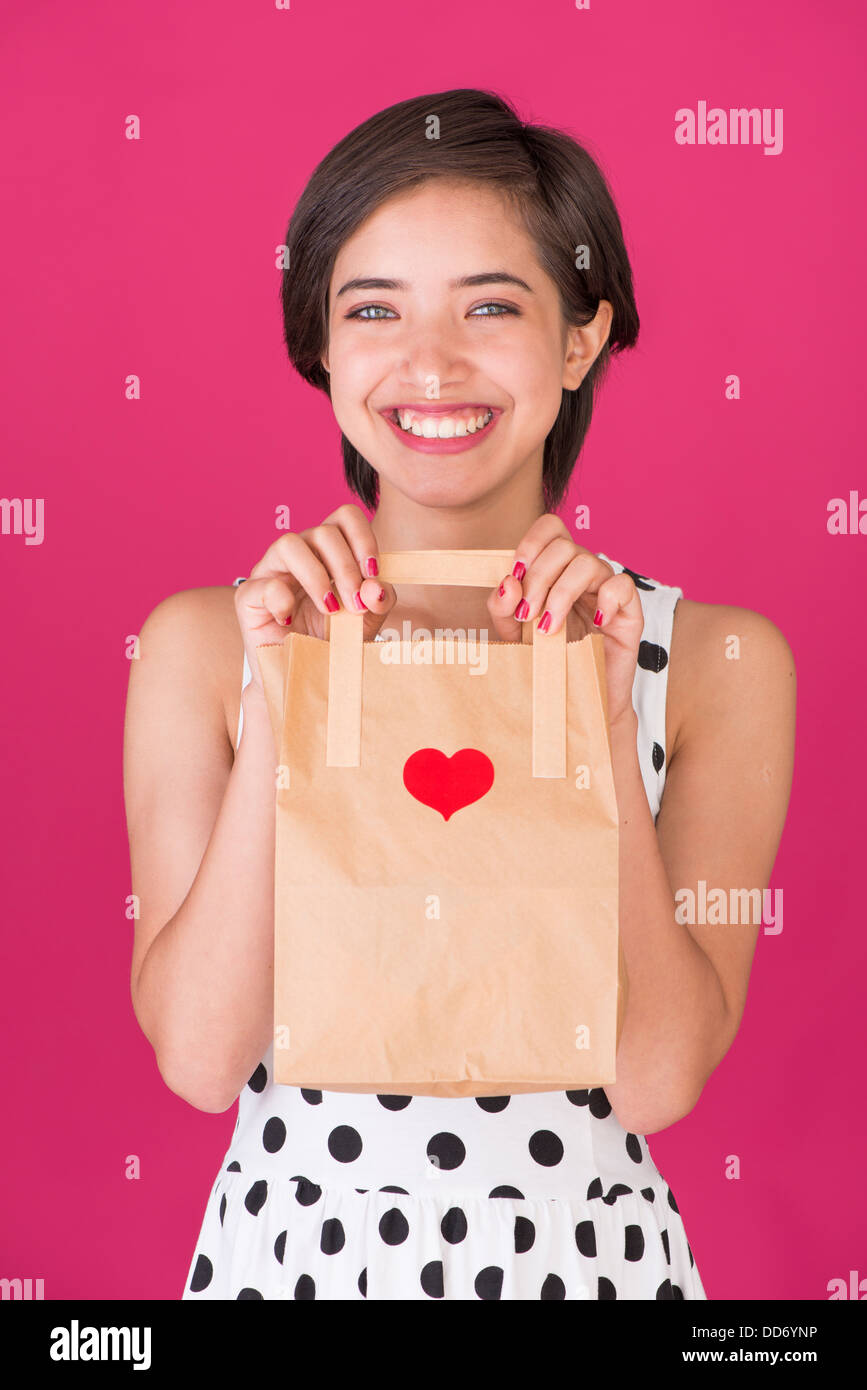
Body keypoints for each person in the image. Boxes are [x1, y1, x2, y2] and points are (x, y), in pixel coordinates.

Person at [123, 88, 796, 1300]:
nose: (428, 364)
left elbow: (656, 1080)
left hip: (587, 1264)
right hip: (294, 1259)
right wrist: (291, 692)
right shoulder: (206, 644)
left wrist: (589, 714)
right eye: (372, 309)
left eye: (492, 306)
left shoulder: (712, 661)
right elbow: (202, 1058)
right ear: (322, 343)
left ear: (582, 337)